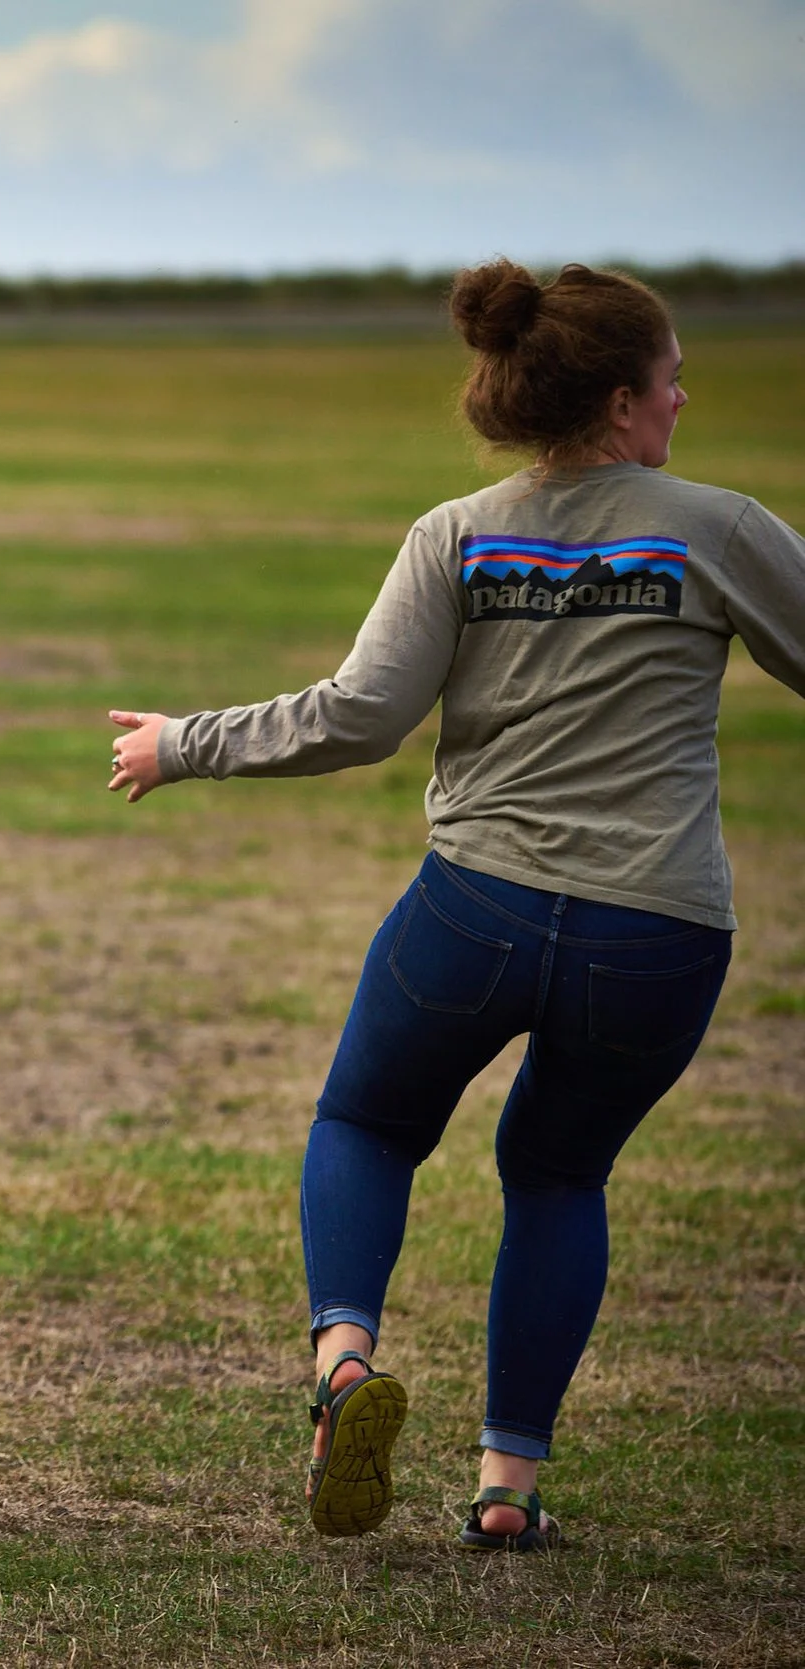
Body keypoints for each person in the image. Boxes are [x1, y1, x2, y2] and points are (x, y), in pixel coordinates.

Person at [106, 260, 805, 1550]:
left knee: (365, 1122)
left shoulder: (461, 531)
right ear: (615, 404)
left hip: (473, 914)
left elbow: (359, 716)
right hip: (655, 935)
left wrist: (182, 740)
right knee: (555, 1174)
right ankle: (505, 1488)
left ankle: (346, 1367)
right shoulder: (714, 528)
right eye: (667, 382)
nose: (681, 398)